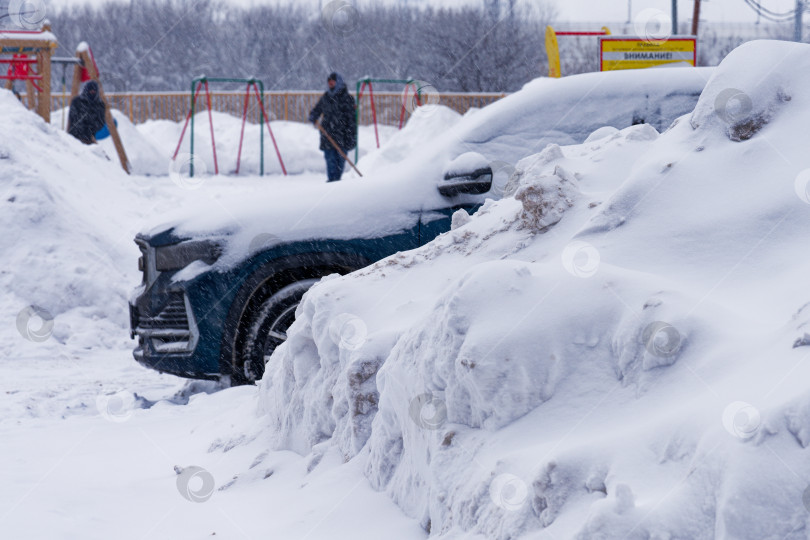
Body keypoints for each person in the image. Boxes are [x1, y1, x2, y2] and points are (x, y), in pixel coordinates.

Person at [308, 72, 357, 182]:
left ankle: (337, 182)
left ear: (338, 82)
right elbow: (317, 110)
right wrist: (313, 116)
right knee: (330, 160)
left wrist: (351, 135)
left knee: (340, 161)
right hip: (327, 134)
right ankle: (331, 181)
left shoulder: (347, 98)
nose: (330, 84)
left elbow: (351, 120)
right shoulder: (326, 97)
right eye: (329, 82)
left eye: (333, 81)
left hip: (343, 135)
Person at [67, 80, 106, 145]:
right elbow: (73, 118)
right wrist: (83, 129)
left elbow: (101, 122)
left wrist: (91, 129)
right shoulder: (77, 101)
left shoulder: (100, 105)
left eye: (94, 91)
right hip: (75, 136)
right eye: (90, 90)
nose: (92, 92)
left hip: (90, 137)